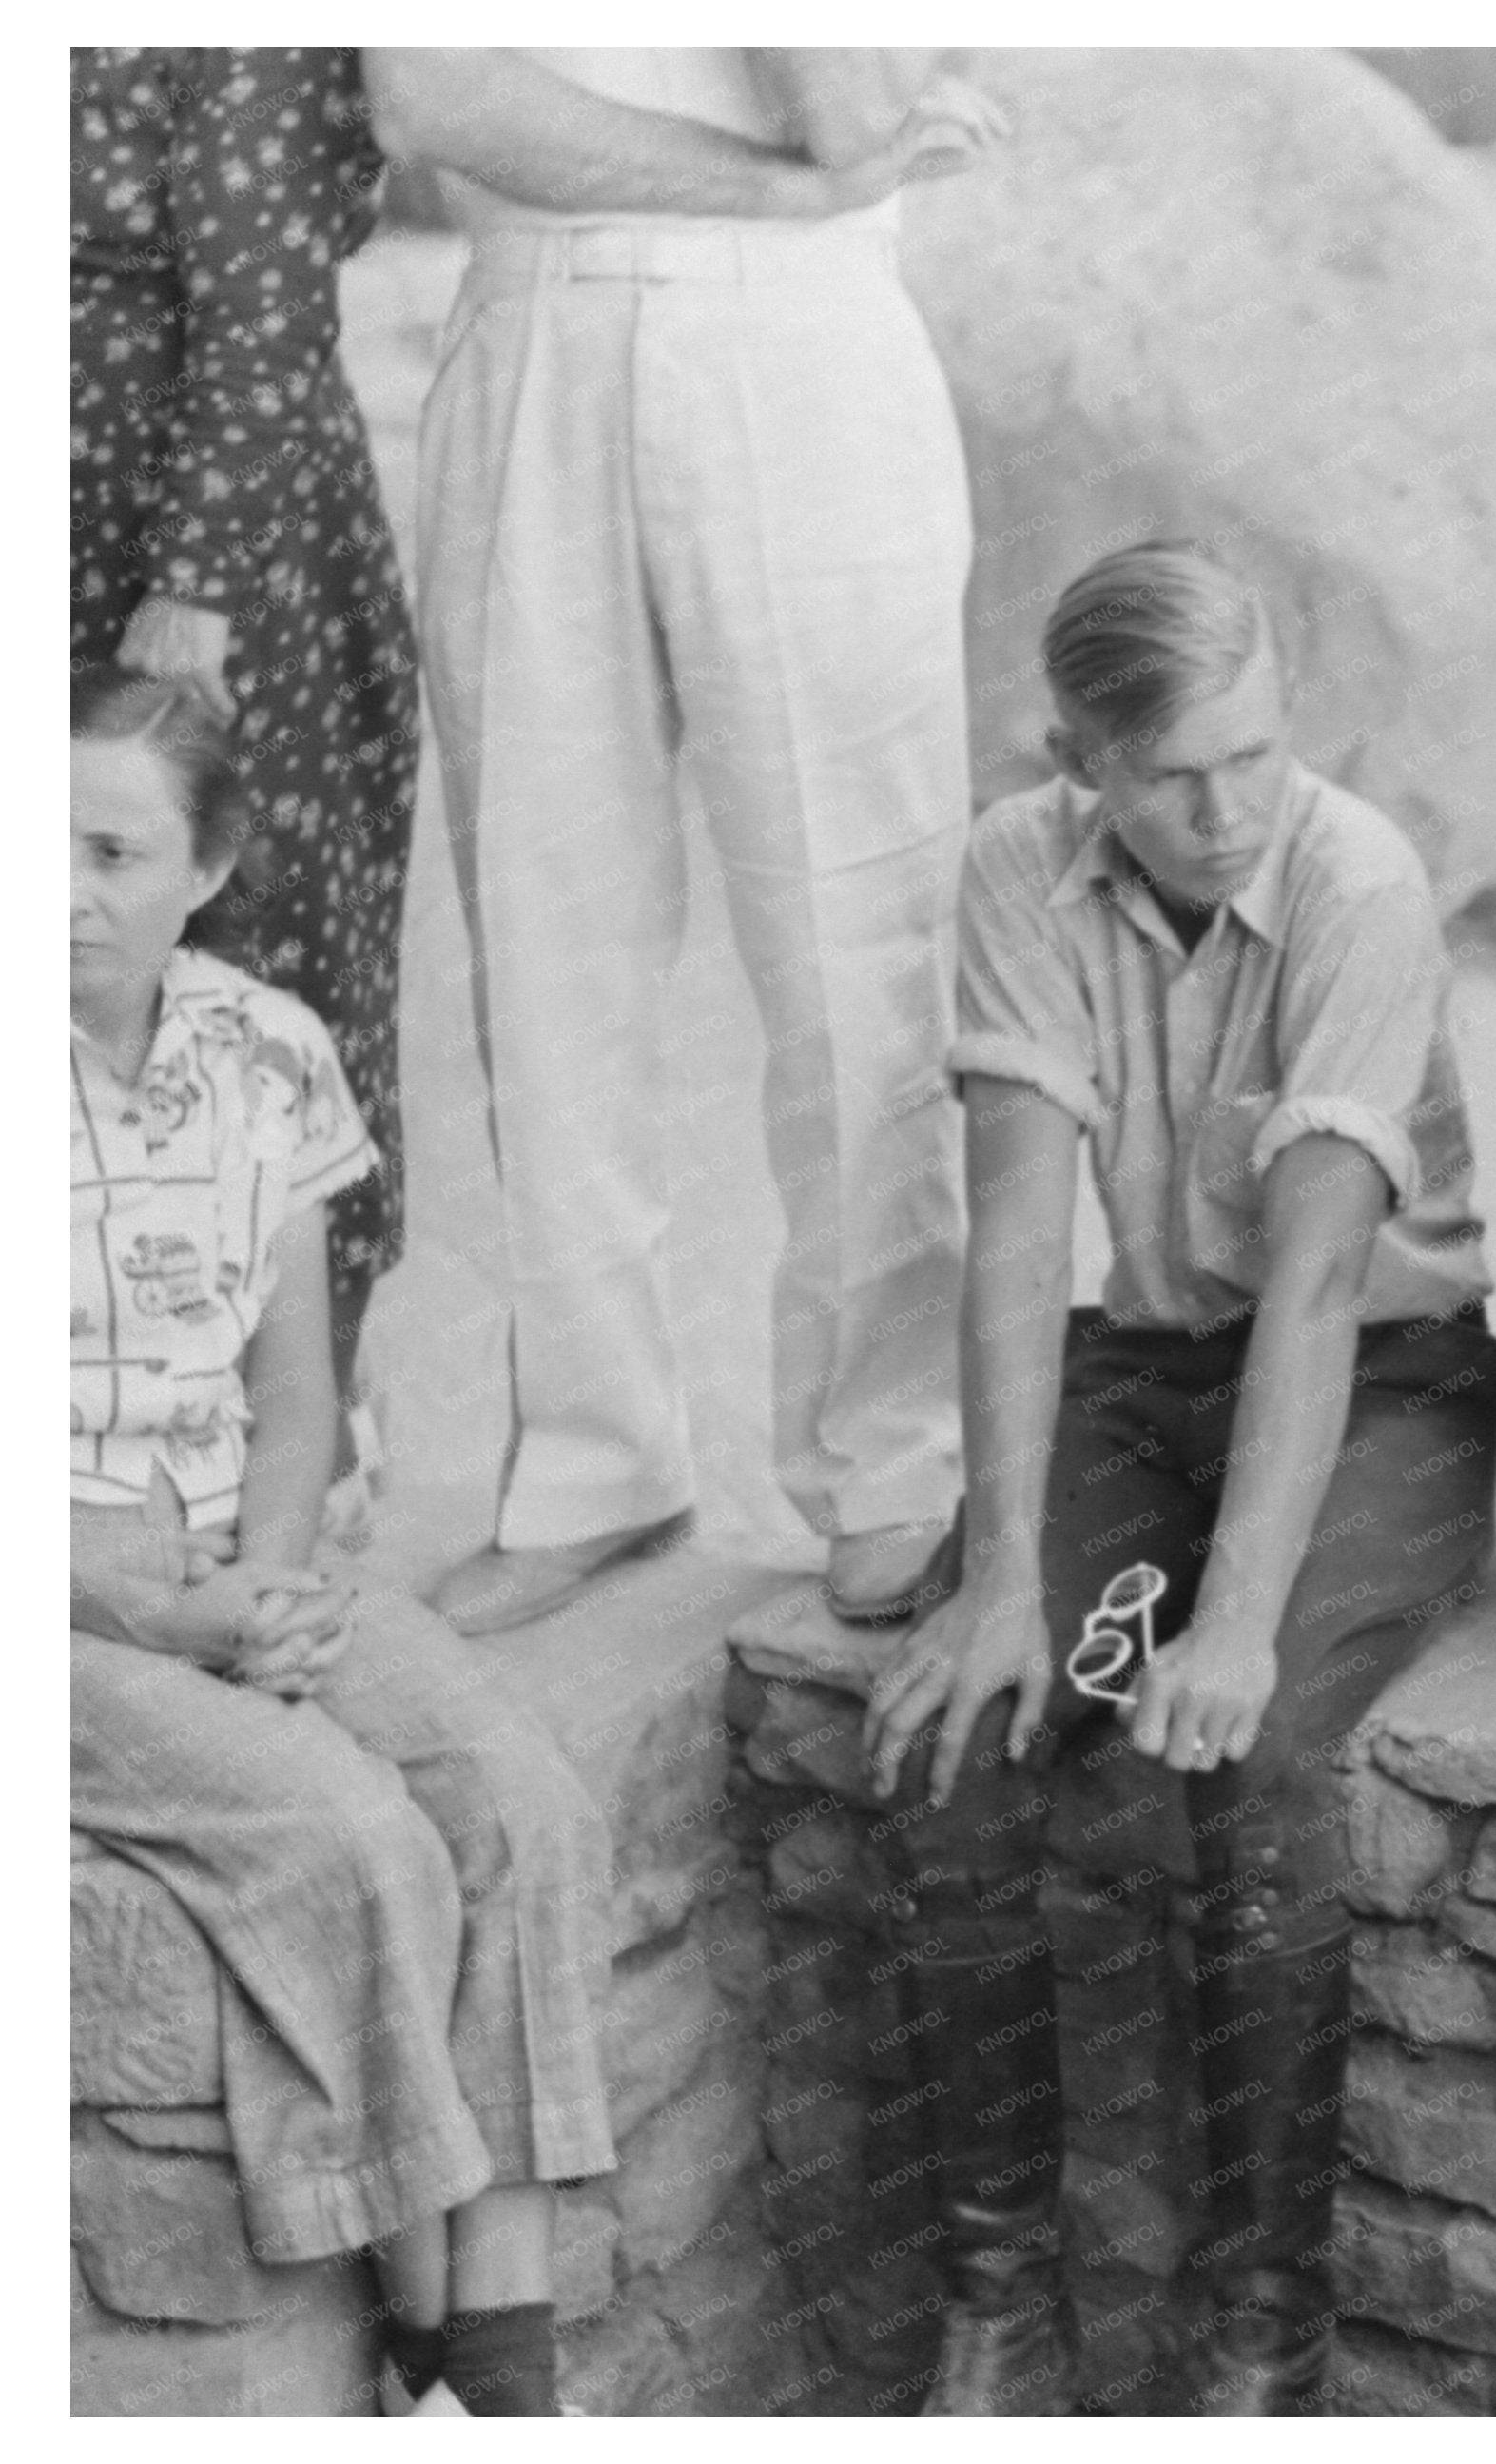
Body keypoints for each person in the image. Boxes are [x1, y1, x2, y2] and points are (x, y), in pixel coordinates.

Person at [856, 543, 1496, 2416]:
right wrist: (1001, 1577)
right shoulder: (1011, 862)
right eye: (1170, 776)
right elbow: (1009, 1234)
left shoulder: (1354, 878)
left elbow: (1315, 1279)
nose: (1225, 809)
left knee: (1246, 1757)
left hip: (1382, 1385)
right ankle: (992, 2306)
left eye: (1253, 753)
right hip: (1144, 1378)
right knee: (955, 1735)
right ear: (1075, 756)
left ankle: (1258, 2340)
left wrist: (1229, 1623)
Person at [361, 48, 1014, 1633]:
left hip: (799, 336)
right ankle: (596, 1463)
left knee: (867, 945)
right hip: (529, 313)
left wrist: (804, 177)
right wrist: (782, 181)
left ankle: (894, 1462)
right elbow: (437, 101)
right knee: (542, 930)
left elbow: (850, 110)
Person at [70, 679, 616, 2418]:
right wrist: (153, 1608)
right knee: (356, 1833)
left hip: (245, 1543)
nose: (61, 886)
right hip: (58, 1588)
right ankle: (453, 2351)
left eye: (112, 848)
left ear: (209, 865)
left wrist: (284, 1583)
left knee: (516, 1804)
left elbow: (297, 1381)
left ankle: (478, 2371)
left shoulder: (266, 1047)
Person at [72, 48, 422, 1422]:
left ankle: (286, 1461)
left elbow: (264, 303)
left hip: (189, 547)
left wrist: (201, 576)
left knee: (242, 972)